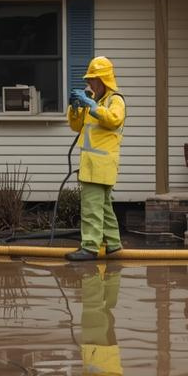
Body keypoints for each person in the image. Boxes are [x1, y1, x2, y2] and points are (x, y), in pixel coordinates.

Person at [66, 57, 126, 262]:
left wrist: (92, 105)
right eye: (89, 79)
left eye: (93, 79)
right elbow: (76, 126)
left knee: (91, 208)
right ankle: (114, 245)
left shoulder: (115, 100)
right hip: (92, 165)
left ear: (104, 80)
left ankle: (90, 247)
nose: (90, 83)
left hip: (101, 165)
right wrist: (74, 108)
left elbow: (114, 120)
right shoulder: (93, 100)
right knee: (104, 207)